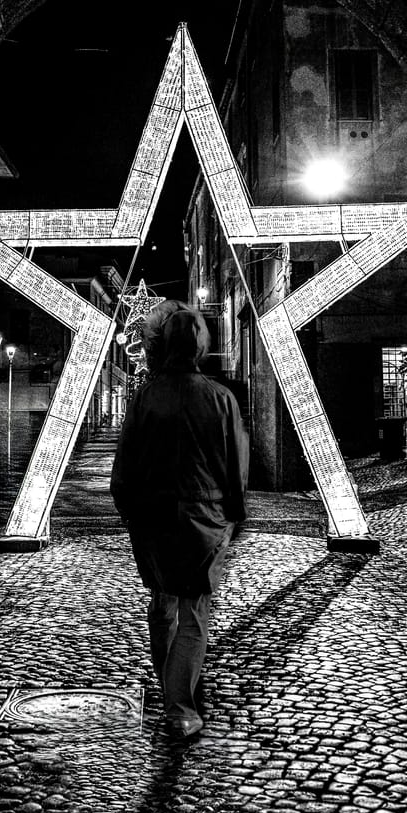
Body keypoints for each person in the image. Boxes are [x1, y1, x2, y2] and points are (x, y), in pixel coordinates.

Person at [110, 304, 249, 738]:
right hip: (203, 519)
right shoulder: (221, 399)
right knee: (194, 610)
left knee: (162, 601)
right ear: (200, 346)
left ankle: (170, 684)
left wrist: (131, 513)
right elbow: (235, 468)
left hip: (152, 519)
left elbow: (123, 469)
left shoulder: (145, 398)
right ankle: (180, 708)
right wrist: (234, 515)